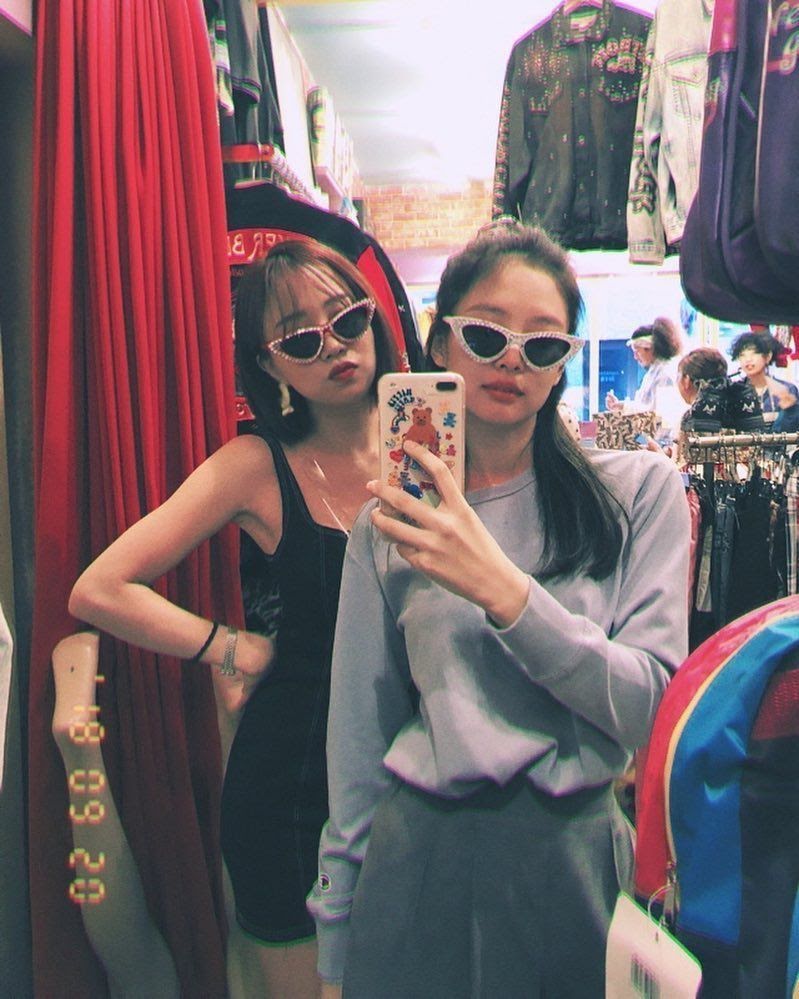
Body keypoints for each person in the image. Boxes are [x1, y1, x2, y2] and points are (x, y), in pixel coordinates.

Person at [308, 223, 690, 997]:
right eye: (485, 335)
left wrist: (504, 590)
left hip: (575, 862)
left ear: (561, 365)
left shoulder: (636, 494)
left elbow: (653, 708)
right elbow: (356, 745)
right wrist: (335, 948)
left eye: (541, 344)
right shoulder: (390, 524)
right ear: (439, 343)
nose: (512, 360)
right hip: (416, 859)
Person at [68, 239, 402, 998]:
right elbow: (99, 588)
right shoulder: (257, 465)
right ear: (269, 364)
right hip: (294, 788)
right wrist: (226, 645)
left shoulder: (430, 443)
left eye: (346, 319)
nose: (334, 346)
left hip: (414, 778)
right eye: (300, 339)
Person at [605, 317, 684, 435]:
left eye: (637, 351)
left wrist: (625, 407)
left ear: (650, 348)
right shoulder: (654, 373)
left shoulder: (665, 374)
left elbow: (662, 418)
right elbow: (645, 408)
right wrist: (621, 406)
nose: (635, 357)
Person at [730, 330, 799, 432]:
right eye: (742, 355)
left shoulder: (787, 389)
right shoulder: (734, 391)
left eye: (754, 353)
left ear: (768, 356)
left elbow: (788, 428)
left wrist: (790, 408)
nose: (748, 359)